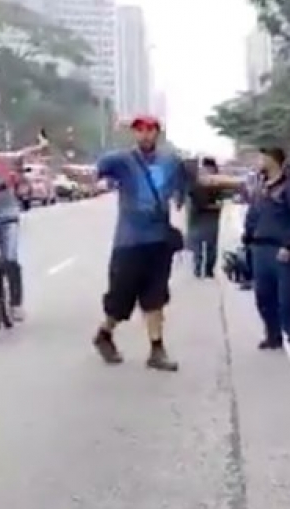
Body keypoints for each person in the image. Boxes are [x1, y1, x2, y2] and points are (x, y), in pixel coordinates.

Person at [92, 115, 217, 370]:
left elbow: (191, 183)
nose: (145, 134)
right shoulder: (121, 160)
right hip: (129, 241)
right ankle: (105, 333)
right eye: (140, 130)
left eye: (150, 130)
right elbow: (95, 172)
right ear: (134, 134)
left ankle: (156, 350)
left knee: (155, 297)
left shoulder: (170, 160)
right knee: (120, 301)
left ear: (157, 133)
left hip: (158, 240)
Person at [243, 147, 290, 351]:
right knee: (263, 295)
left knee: (286, 297)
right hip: (260, 249)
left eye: (262, 157)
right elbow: (252, 215)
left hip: (282, 249)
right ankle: (273, 334)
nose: (258, 161)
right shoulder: (261, 187)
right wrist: (247, 238)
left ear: (273, 160)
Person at [0, 151, 23, 321]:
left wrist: (40, 147)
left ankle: (15, 303)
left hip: (8, 215)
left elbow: (20, 154)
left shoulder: (1, 161)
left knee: (10, 258)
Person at [187, 156, 224, 278]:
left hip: (211, 218)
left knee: (211, 245)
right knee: (197, 245)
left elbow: (223, 198)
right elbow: (192, 197)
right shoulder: (196, 182)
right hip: (198, 218)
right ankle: (198, 268)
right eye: (206, 169)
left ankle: (208, 269)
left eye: (210, 169)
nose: (208, 171)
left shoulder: (219, 183)